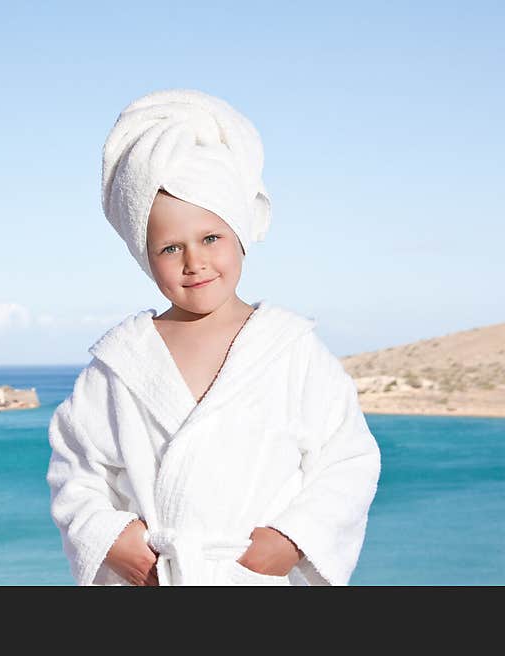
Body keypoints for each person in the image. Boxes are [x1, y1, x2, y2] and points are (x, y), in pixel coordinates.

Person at [45, 89, 382, 586]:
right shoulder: (120, 361)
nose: (194, 261)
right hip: (160, 576)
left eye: (210, 238)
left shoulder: (290, 349)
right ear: (145, 255)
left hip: (252, 577)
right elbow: (76, 467)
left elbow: (347, 459)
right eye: (169, 247)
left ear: (240, 234)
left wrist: (293, 539)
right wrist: (110, 538)